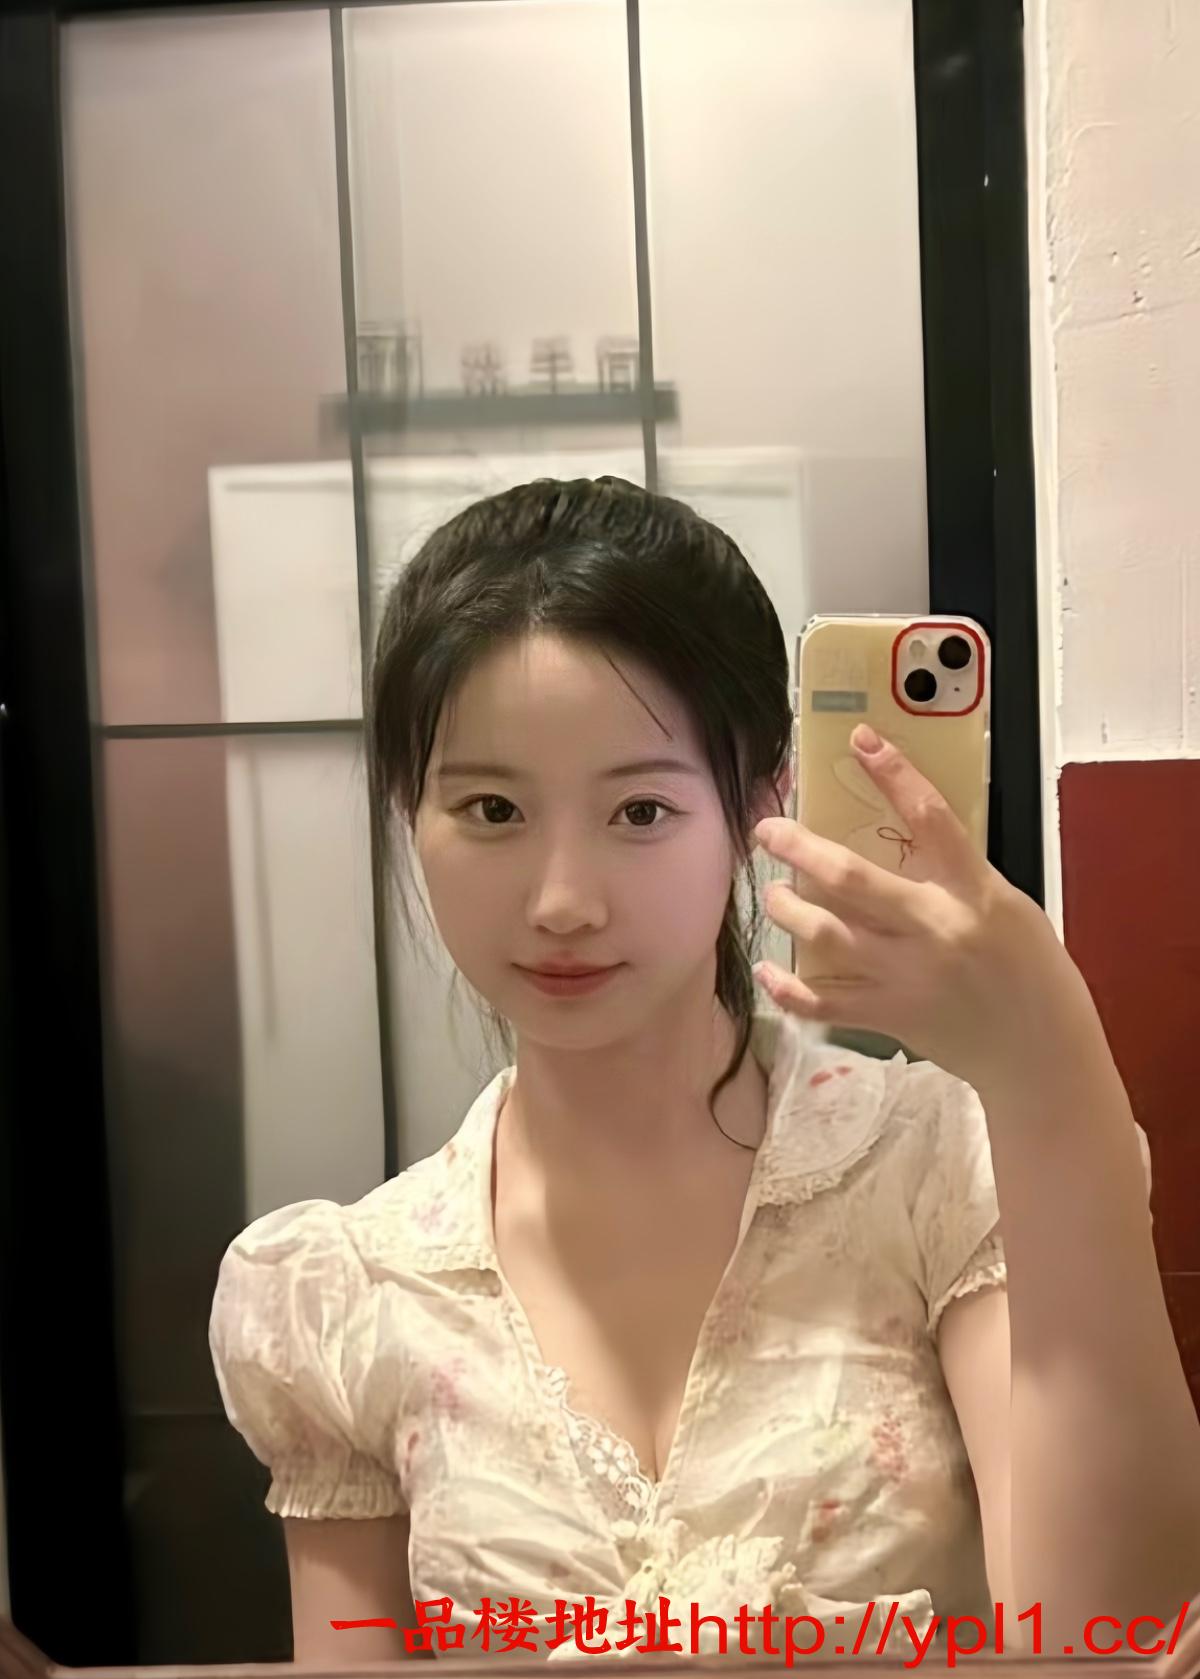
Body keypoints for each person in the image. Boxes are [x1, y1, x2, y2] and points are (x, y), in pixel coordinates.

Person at [209, 477, 1200, 1667]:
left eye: (639, 810)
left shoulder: (942, 1168)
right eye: (491, 807)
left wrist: (1047, 1061)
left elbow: (1110, 1634)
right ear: (407, 807)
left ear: (762, 798)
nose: (562, 900)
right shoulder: (347, 1291)